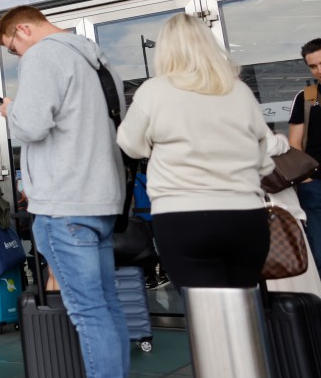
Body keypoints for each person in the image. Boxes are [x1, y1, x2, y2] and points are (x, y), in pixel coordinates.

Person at [0, 5, 132, 378]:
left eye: (12, 46)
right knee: (107, 310)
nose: (16, 55)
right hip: (100, 198)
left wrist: (9, 112)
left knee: (89, 313)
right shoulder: (96, 59)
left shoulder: (43, 55)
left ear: (23, 28)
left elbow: (31, 126)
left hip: (64, 202)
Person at [116, 14, 274, 288]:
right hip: (246, 214)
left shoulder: (154, 91)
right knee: (246, 310)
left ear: (165, 50)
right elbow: (265, 159)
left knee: (206, 315)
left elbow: (130, 144)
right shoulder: (238, 90)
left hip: (183, 216)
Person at [288, 38, 321, 264]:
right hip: (316, 185)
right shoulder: (306, 96)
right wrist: (306, 178)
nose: (319, 70)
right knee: (319, 251)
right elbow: (294, 143)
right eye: (313, 66)